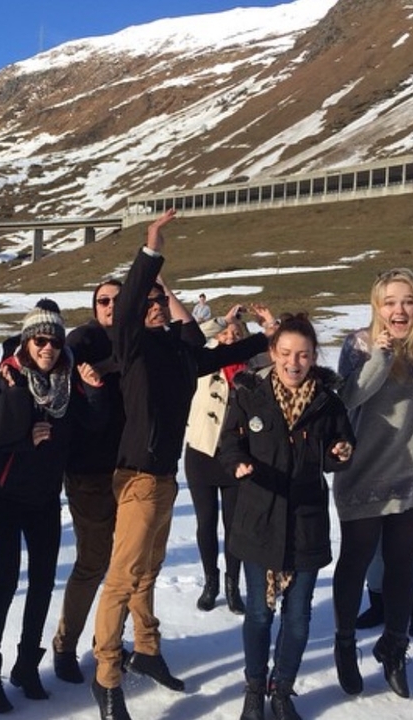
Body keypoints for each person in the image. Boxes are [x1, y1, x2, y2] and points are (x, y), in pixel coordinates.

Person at [90, 209, 272, 720]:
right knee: (123, 579)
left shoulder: (177, 351)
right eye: (146, 302)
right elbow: (127, 306)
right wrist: (152, 248)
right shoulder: (134, 346)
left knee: (149, 573)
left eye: (157, 303)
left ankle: (146, 652)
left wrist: (269, 339)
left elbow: (209, 351)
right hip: (137, 477)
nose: (152, 307)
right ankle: (106, 678)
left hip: (165, 479)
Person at [219, 312, 355, 720]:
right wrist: (237, 464)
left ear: (314, 356)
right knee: (260, 614)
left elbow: (341, 446)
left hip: (306, 524)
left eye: (303, 355)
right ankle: (254, 688)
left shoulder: (327, 403)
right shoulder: (249, 395)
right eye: (285, 353)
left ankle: (282, 690)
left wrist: (341, 452)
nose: (294, 362)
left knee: (298, 618)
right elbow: (228, 444)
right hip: (259, 519)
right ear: (272, 354)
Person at [331, 267, 413, 699]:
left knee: (402, 564)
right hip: (364, 470)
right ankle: (345, 645)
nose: (398, 309)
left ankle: (395, 648)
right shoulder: (358, 344)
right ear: (377, 307)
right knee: (356, 562)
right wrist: (379, 358)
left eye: (407, 301)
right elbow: (348, 399)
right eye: (389, 302)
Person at [0, 301, 104, 714]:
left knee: (43, 584)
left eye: (54, 340)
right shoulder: (7, 375)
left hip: (46, 498)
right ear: (28, 341)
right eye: (40, 340)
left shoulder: (70, 379)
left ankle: (26, 665)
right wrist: (22, 436)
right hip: (4, 496)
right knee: (3, 584)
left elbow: (91, 426)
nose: (47, 347)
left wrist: (97, 392)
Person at [51, 279, 126, 684]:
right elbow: (45, 358)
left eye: (118, 299)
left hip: (133, 470)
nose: (111, 306)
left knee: (126, 566)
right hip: (89, 472)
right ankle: (65, 645)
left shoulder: (138, 338)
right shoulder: (84, 339)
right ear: (94, 306)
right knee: (93, 562)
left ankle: (109, 642)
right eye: (103, 300)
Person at [185, 303, 275, 616]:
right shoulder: (201, 360)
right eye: (226, 331)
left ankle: (232, 584)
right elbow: (193, 337)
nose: (230, 335)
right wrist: (220, 320)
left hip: (237, 456)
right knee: (206, 522)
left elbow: (277, 352)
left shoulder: (256, 367)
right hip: (201, 453)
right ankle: (210, 581)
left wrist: (270, 327)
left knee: (234, 524)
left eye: (237, 332)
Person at [354, 399, 413, 638]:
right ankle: (379, 604)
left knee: (404, 546)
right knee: (375, 544)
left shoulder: (412, 381)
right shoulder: (359, 387)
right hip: (378, 483)